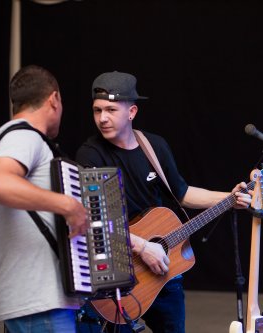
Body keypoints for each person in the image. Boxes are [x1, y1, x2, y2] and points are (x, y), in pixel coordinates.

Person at [75, 71, 253, 333]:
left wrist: (228, 197)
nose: (102, 118)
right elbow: (95, 221)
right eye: (97, 110)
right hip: (118, 273)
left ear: (132, 112)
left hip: (163, 271)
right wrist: (143, 247)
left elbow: (181, 193)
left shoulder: (154, 146)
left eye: (111, 110)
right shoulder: (90, 155)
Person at [0, 65, 88, 332]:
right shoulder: (23, 136)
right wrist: (69, 205)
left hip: (34, 300)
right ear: (54, 99)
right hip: (39, 303)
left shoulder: (11, 139)